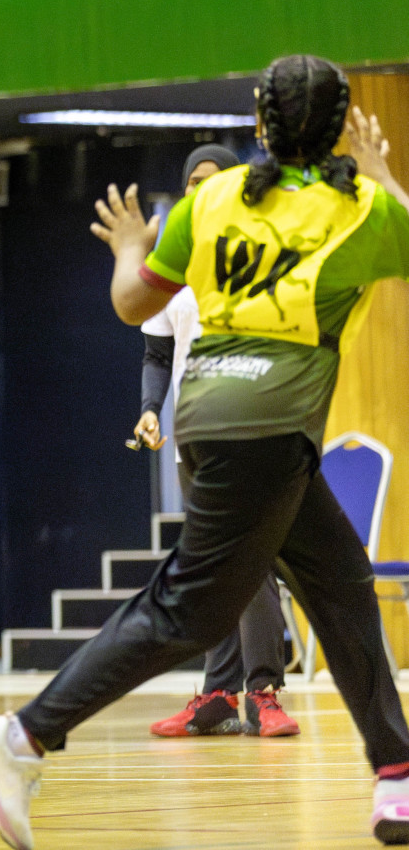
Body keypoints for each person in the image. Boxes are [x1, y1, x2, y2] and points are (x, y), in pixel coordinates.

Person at [0, 55, 409, 850]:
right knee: (189, 609)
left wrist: (130, 244)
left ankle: (397, 776)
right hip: (265, 429)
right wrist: (379, 171)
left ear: (258, 126)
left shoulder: (214, 199)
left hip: (211, 418)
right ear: (338, 127)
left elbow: (134, 303)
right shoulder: (360, 208)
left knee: (339, 583)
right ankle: (20, 738)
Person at [137, 145, 301, 740]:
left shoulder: (256, 255)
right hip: (195, 444)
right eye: (193, 183)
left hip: (252, 435)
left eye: (215, 181)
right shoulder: (171, 264)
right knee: (211, 571)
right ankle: (217, 696)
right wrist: (150, 411)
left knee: (253, 564)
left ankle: (264, 692)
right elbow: (157, 354)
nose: (202, 191)